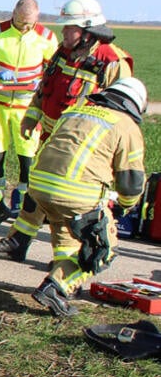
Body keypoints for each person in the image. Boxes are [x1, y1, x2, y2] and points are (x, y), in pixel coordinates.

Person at [0, 0, 133, 262]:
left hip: (84, 148)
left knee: (69, 203)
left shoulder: (112, 61)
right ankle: (18, 241)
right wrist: (32, 116)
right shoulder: (64, 52)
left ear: (88, 31)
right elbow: (46, 87)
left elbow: (121, 111)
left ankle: (67, 260)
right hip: (52, 138)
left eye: (69, 28)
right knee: (36, 188)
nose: (63, 33)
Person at [18, 78, 146, 317]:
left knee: (66, 238)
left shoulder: (76, 110)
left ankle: (66, 287)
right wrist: (127, 206)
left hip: (38, 186)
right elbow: (131, 181)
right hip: (75, 193)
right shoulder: (126, 125)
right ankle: (56, 288)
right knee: (103, 248)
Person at [0, 0, 59, 226]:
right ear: (13, 13)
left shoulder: (46, 38)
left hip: (27, 108)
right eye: (20, 21)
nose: (24, 27)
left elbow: (52, 70)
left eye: (29, 23)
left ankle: (25, 203)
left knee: (28, 158)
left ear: (37, 17)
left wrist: (41, 87)